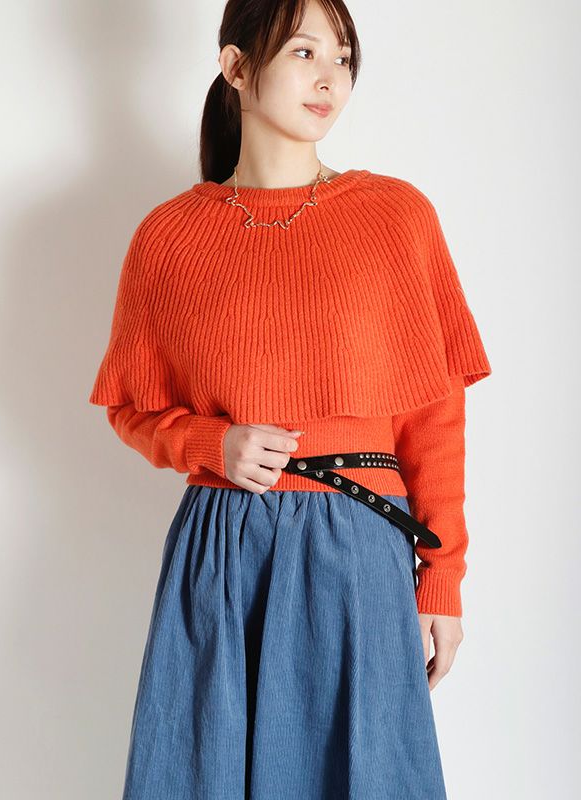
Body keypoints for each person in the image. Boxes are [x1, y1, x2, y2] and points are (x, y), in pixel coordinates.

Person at [89, 0, 492, 797]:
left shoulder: (396, 217)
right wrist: (212, 444)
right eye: (305, 53)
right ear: (237, 67)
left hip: (361, 552)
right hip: (224, 548)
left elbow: (435, 413)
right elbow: (132, 405)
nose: (330, 78)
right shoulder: (168, 238)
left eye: (342, 57)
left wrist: (442, 578)